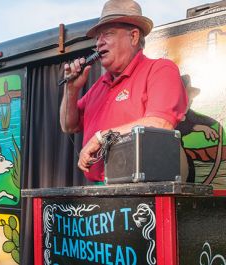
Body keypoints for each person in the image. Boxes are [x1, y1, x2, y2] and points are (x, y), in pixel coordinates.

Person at [60, 0, 188, 182]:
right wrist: (71, 89)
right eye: (98, 38)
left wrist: (102, 137)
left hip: (141, 190)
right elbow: (68, 125)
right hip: (98, 189)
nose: (99, 43)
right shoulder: (99, 85)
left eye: (107, 34)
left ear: (134, 36)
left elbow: (161, 123)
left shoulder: (160, 69)